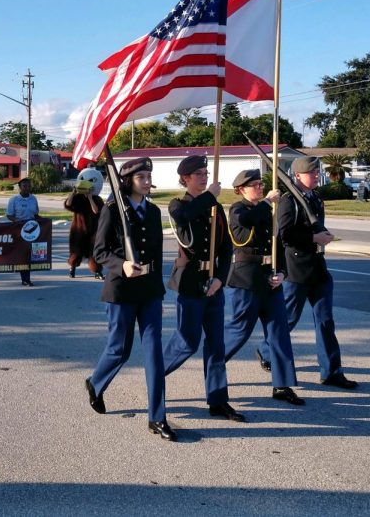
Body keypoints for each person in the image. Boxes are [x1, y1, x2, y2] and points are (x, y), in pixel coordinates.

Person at [86, 158, 174, 442]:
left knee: (154, 355)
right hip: (122, 290)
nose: (147, 181)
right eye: (141, 177)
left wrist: (159, 286)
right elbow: (99, 252)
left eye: (149, 176)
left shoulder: (152, 211)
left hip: (149, 291)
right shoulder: (113, 210)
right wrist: (121, 264)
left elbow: (157, 254)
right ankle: (95, 383)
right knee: (119, 350)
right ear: (127, 181)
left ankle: (157, 417)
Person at [258, 156, 358, 389]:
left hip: (318, 268)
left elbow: (315, 226)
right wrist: (313, 238)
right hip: (296, 269)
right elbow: (284, 236)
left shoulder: (315, 198)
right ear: (298, 175)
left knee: (325, 322)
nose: (316, 175)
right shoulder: (288, 201)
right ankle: (266, 350)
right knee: (288, 319)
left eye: (316, 172)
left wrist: (324, 235)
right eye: (311, 172)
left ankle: (332, 371)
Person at [162, 155, 244, 422]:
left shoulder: (215, 208)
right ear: (185, 178)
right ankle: (156, 374)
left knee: (216, 345)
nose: (204, 176)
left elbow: (226, 247)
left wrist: (221, 279)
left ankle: (218, 400)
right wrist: (208, 197)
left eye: (205, 172)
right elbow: (184, 218)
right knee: (187, 342)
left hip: (214, 284)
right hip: (191, 283)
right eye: (198, 173)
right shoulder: (178, 204)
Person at [223, 169, 304, 406]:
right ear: (241, 189)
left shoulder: (267, 211)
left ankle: (282, 385)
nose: (260, 187)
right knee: (239, 332)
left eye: (261, 184)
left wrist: (281, 272)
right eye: (255, 185)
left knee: (279, 332)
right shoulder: (238, 209)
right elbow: (245, 223)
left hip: (270, 279)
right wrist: (268, 200)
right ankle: (214, 363)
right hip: (247, 279)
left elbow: (276, 244)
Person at [64, 168, 105, 279]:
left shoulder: (97, 199)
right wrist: (73, 192)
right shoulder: (77, 198)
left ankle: (97, 271)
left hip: (93, 231)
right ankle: (72, 268)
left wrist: (90, 198)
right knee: (76, 250)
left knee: (94, 252)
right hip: (78, 229)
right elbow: (68, 204)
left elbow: (97, 211)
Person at [6, 178, 39, 286]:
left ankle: (26, 277)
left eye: (28, 185)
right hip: (19, 230)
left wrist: (45, 222)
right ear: (20, 187)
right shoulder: (14, 200)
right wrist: (19, 222)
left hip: (32, 232)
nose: (27, 188)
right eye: (24, 186)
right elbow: (9, 215)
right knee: (22, 255)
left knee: (30, 255)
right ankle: (25, 279)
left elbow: (36, 215)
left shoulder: (33, 199)